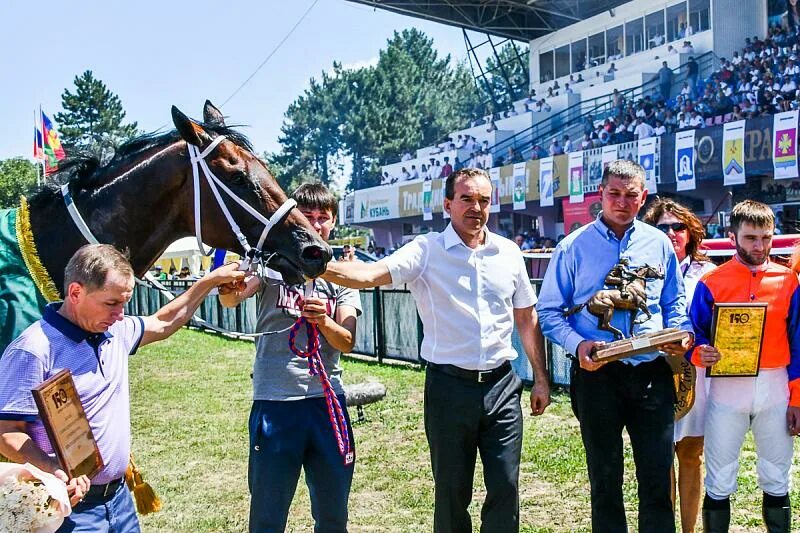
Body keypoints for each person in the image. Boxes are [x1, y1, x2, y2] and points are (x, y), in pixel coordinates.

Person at [319, 168, 551, 532]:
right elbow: (368, 275)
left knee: (506, 485)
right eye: (467, 199)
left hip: (502, 386)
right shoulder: (426, 250)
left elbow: (526, 317)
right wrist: (314, 265)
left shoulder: (508, 253)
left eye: (484, 200)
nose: (477, 207)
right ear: (447, 204)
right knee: (452, 492)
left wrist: (540, 378)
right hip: (448, 389)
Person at [0, 244, 245, 532]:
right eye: (111, 303)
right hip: (71, 510)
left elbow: (164, 321)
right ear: (76, 293)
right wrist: (53, 470)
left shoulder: (113, 331)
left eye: (124, 303)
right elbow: (8, 432)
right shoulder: (33, 350)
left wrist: (209, 281)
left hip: (119, 499)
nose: (120, 314)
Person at [536, 160, 693, 533]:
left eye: (631, 195)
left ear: (643, 198)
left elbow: (674, 301)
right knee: (605, 479)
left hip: (651, 372)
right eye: (614, 194)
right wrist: (577, 345)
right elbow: (549, 311)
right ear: (600, 195)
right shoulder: (572, 247)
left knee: (657, 477)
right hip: (597, 375)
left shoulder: (658, 244)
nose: (622, 202)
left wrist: (679, 334)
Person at [217, 183, 360, 533]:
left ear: (333, 223)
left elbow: (347, 341)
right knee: (268, 514)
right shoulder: (272, 267)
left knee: (333, 515)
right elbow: (232, 300)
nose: (315, 224)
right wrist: (229, 287)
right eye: (307, 217)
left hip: (326, 404)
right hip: (276, 401)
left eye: (323, 218)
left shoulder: (342, 278)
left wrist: (323, 321)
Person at [689, 200, 800, 533]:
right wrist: (699, 352)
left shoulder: (789, 282)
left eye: (766, 237)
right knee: (719, 477)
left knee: (778, 475)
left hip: (774, 385)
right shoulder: (712, 282)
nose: (759, 246)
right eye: (751, 237)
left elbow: (798, 342)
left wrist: (797, 398)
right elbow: (693, 333)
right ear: (731, 236)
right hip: (727, 387)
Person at [643, 198, 716, 533]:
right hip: (650, 373)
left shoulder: (708, 273)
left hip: (695, 377)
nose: (671, 233)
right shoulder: (639, 269)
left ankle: (689, 530)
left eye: (678, 227)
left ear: (690, 232)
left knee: (690, 456)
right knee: (659, 461)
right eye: (663, 228)